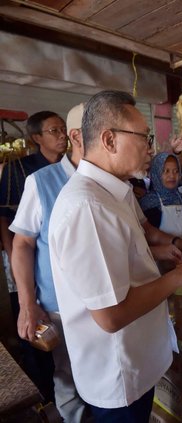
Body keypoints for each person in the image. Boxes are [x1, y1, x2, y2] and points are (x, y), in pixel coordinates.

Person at [48, 90, 182, 422]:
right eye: (144, 137)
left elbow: (133, 243)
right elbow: (111, 315)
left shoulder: (115, 191)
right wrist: (178, 277)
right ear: (109, 139)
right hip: (117, 375)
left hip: (136, 362)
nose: (150, 148)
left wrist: (171, 247)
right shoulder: (88, 207)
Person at [9, 104, 90, 422]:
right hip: (60, 302)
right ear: (79, 137)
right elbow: (22, 243)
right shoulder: (40, 181)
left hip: (107, 301)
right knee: (68, 374)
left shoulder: (108, 181)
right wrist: (28, 303)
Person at [0, 110, 67, 404]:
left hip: (58, 261)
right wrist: (13, 258)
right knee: (32, 320)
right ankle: (43, 392)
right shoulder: (21, 169)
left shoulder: (70, 170)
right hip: (24, 254)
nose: (62, 135)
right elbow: (5, 217)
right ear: (37, 137)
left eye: (63, 129)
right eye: (54, 131)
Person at [140, 152, 182, 241]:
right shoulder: (149, 203)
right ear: (156, 173)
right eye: (166, 171)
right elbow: (147, 240)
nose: (172, 176)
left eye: (176, 171)